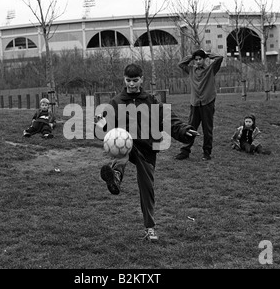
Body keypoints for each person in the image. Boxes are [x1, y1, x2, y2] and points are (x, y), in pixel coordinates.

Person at [95, 63, 199, 242]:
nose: (132, 84)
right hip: (126, 142)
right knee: (122, 146)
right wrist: (100, 124)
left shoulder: (151, 101)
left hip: (147, 149)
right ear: (124, 79)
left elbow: (168, 119)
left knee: (147, 187)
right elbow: (105, 125)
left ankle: (150, 229)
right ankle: (116, 175)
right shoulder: (116, 102)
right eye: (128, 80)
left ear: (142, 79)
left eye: (135, 80)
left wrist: (183, 129)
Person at [175, 49, 224, 161]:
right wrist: (191, 57)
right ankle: (185, 151)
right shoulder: (191, 70)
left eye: (200, 59)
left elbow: (220, 58)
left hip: (207, 103)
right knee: (190, 128)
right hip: (195, 103)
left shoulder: (211, 69)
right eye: (196, 59)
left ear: (204, 59)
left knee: (207, 129)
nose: (198, 61)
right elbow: (181, 64)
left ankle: (207, 153)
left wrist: (206, 54)